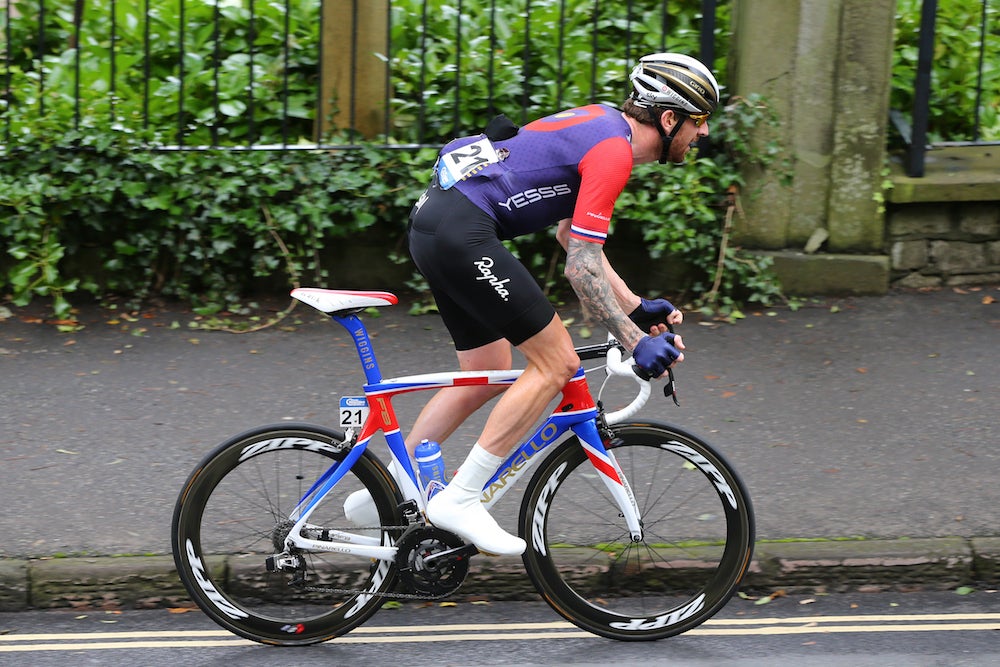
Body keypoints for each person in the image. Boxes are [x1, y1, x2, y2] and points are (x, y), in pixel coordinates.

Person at [358, 53, 719, 556]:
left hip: (436, 225)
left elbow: (571, 234)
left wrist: (635, 307)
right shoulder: (613, 153)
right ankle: (460, 499)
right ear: (668, 118)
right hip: (463, 233)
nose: (702, 134)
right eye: (698, 121)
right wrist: (635, 342)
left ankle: (393, 487)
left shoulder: (603, 125)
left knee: (487, 368)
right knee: (557, 363)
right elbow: (580, 266)